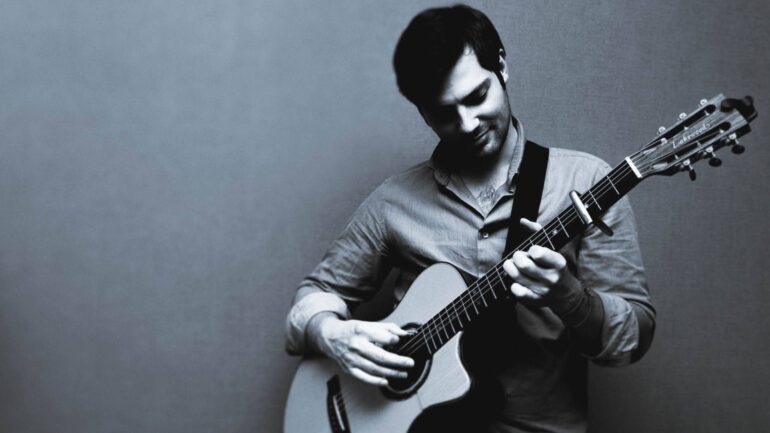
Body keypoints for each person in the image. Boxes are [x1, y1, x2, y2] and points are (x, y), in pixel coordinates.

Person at [285, 4, 655, 433]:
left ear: (501, 66)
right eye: (444, 112)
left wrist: (567, 294)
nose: (467, 124)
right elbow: (311, 301)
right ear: (423, 113)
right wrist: (330, 333)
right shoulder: (392, 204)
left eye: (477, 97)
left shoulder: (586, 182)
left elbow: (632, 342)